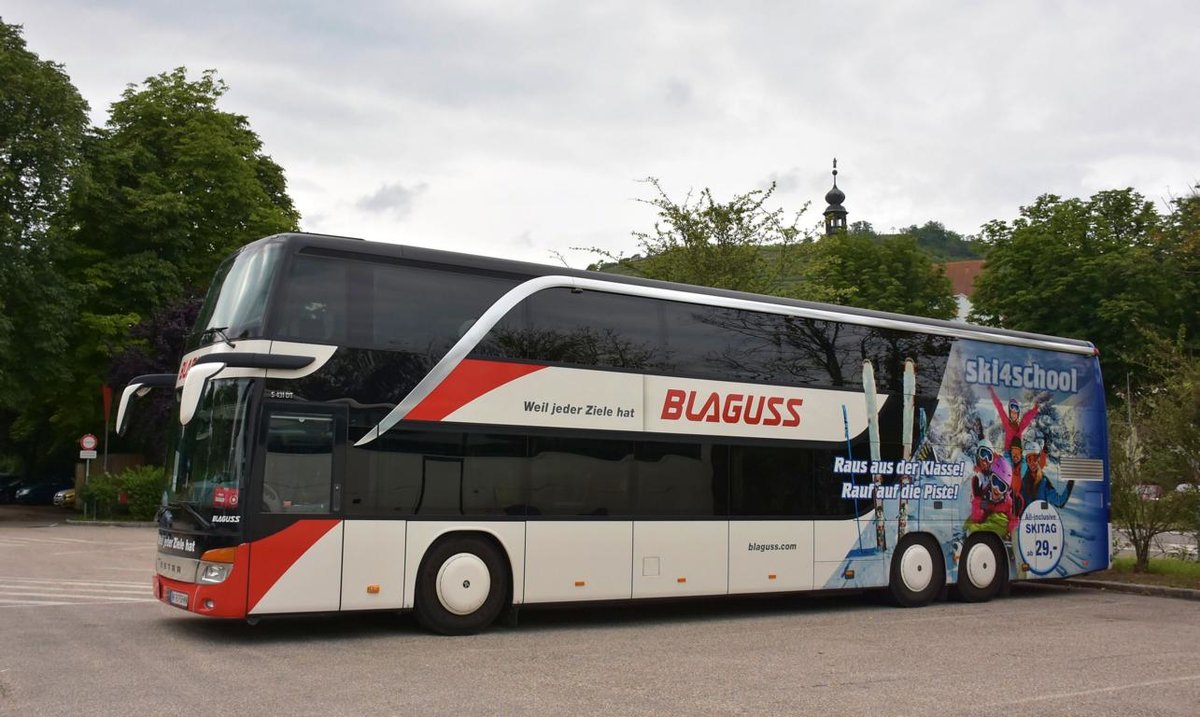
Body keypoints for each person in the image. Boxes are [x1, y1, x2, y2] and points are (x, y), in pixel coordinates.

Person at [1020, 439, 1073, 510]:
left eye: (1035, 458)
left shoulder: (1044, 482)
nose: (1032, 462)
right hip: (1026, 519)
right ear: (1026, 462)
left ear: (1039, 459)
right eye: (1029, 459)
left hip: (1041, 519)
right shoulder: (1023, 483)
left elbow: (1059, 502)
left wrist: (1070, 482)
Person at [988, 387, 1038, 455]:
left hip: (1017, 454)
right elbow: (999, 407)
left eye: (1015, 413)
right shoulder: (1006, 422)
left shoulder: (1021, 426)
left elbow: (1028, 417)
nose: (1014, 415)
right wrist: (992, 393)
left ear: (1018, 414)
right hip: (1008, 453)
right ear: (1009, 413)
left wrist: (1036, 408)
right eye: (1012, 413)